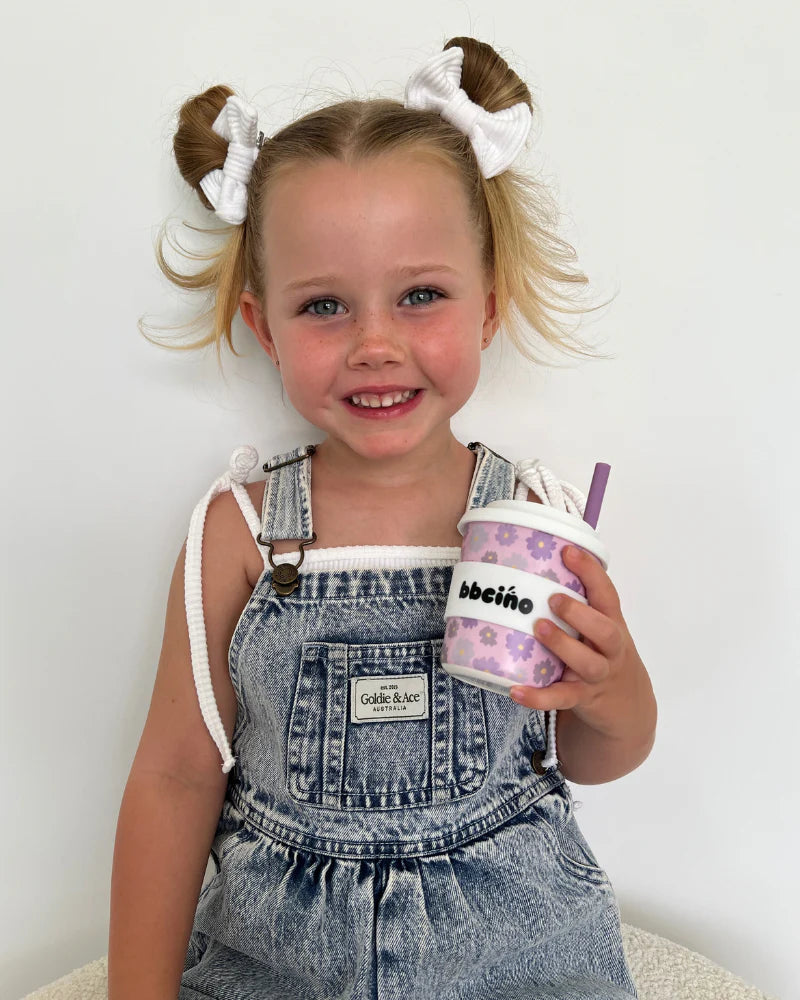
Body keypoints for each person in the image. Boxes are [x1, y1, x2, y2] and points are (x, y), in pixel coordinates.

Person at [108, 36, 657, 1000]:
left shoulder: (534, 519)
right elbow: (175, 779)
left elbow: (597, 757)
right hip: (277, 959)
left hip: (518, 952)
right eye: (324, 305)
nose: (375, 343)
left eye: (420, 296)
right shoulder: (240, 533)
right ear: (262, 328)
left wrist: (608, 687)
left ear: (489, 306)